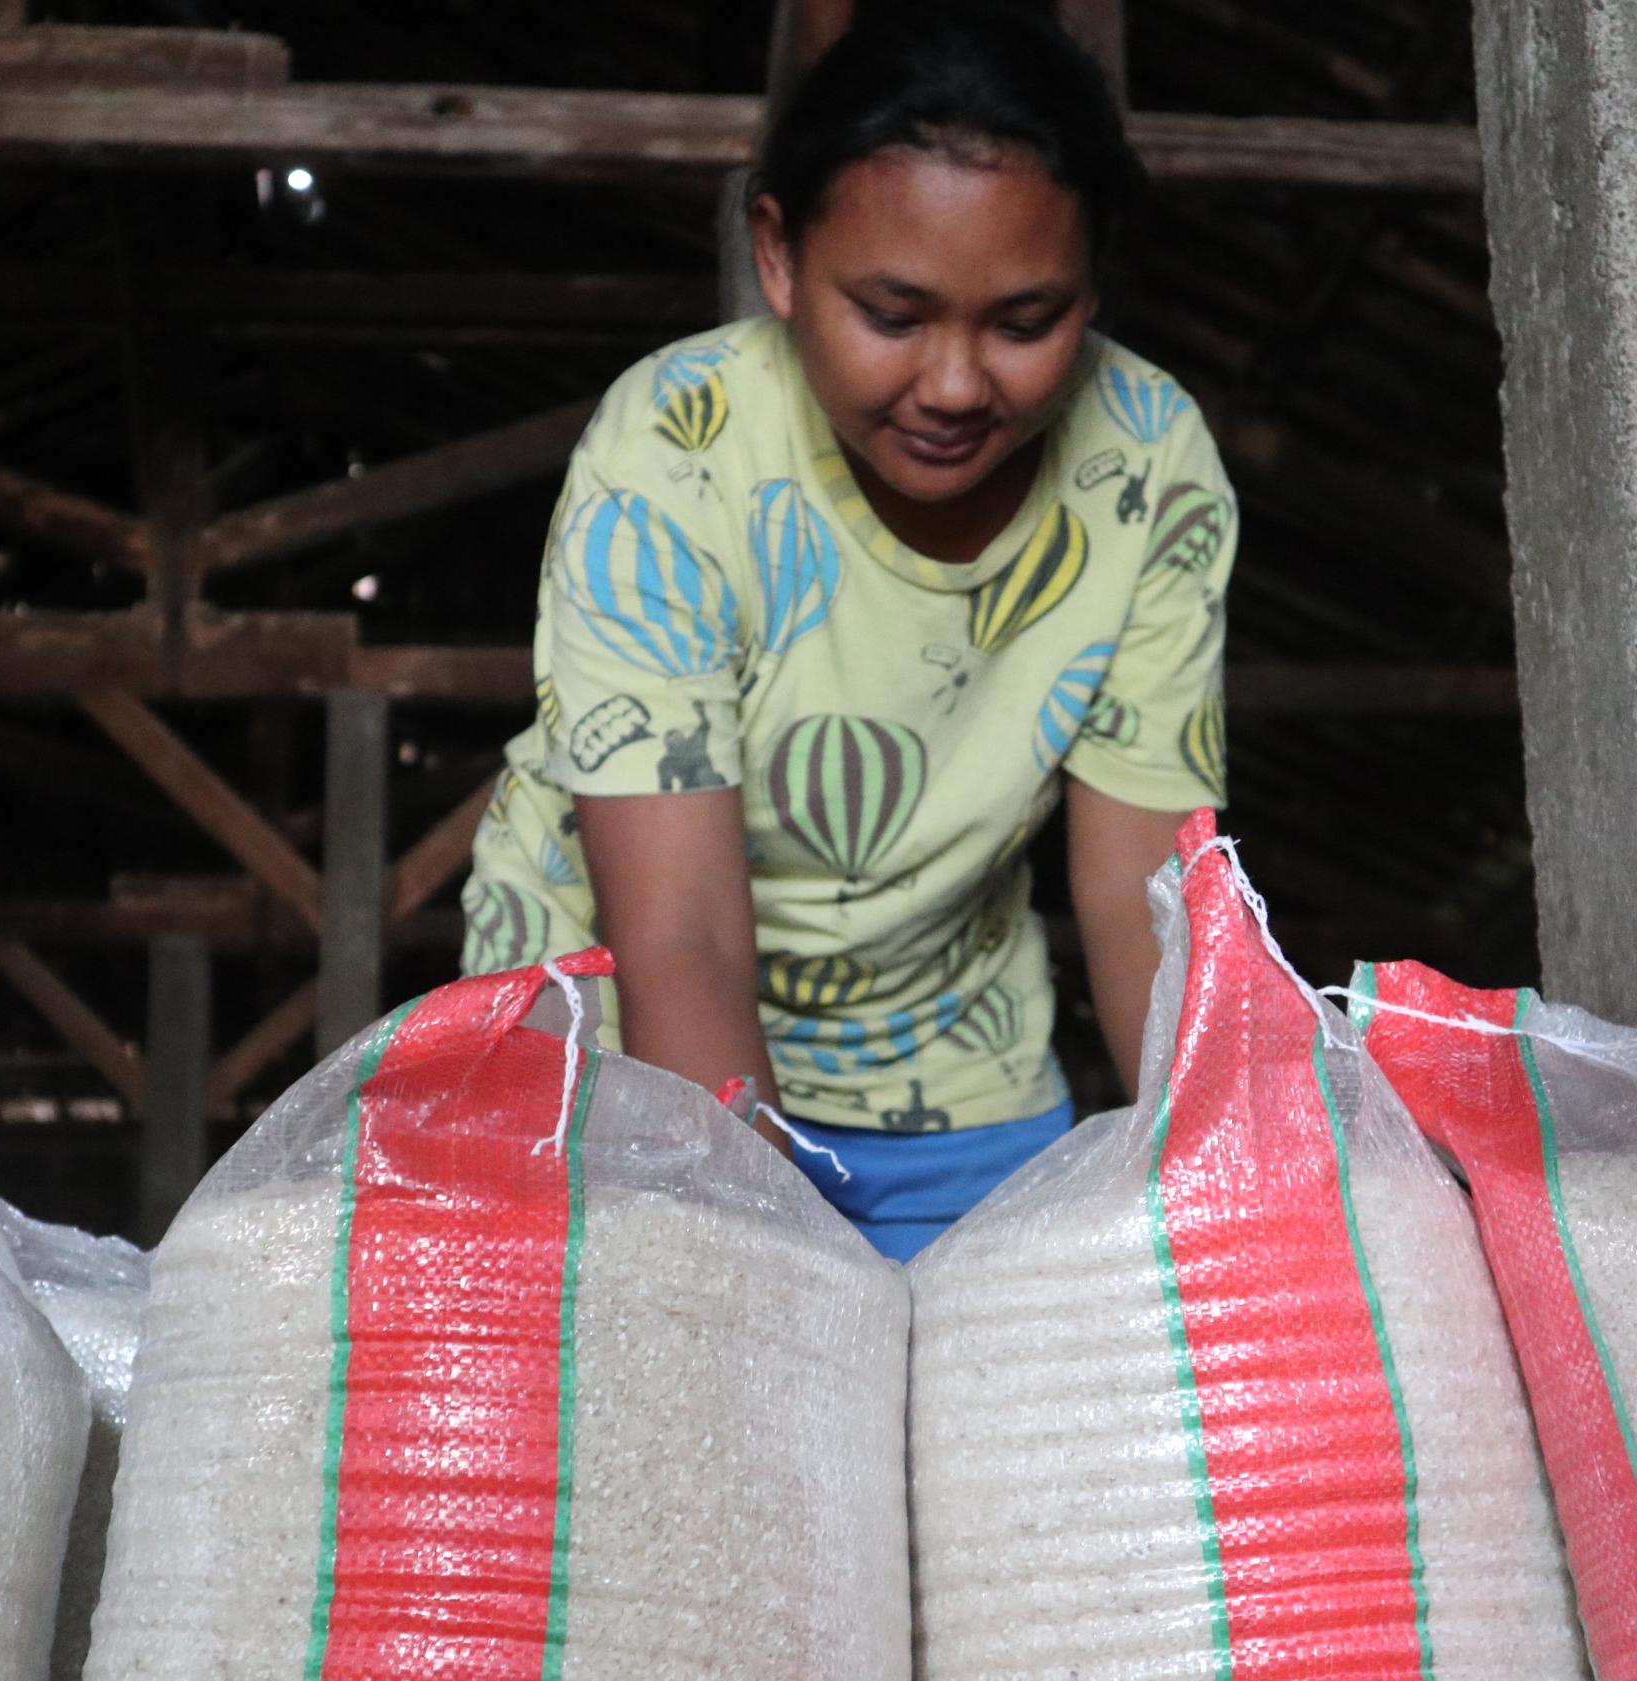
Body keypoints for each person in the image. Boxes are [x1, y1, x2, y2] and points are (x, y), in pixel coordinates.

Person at [459, 0, 1237, 1259]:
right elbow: (684, 935)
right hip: (621, 1046)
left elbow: (1137, 898)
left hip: (955, 1068)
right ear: (777, 255)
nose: (952, 384)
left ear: (1093, 287)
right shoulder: (675, 451)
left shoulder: (1149, 463)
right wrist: (768, 1256)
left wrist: (1221, 1178)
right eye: (892, 314)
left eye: (1027, 324)